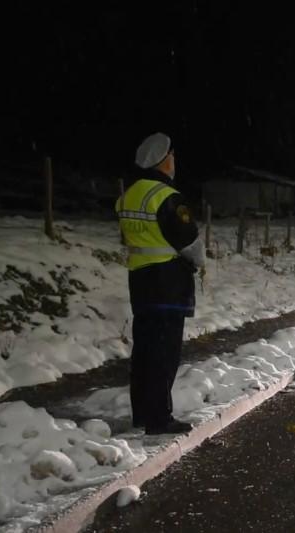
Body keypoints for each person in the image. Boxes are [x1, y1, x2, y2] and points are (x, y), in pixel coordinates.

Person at [116, 132, 205, 435]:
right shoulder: (166, 197)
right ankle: (159, 418)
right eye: (173, 157)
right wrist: (196, 262)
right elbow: (190, 244)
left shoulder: (129, 195)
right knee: (164, 354)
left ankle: (142, 413)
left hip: (140, 282)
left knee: (144, 352)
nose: (174, 162)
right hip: (168, 285)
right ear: (163, 161)